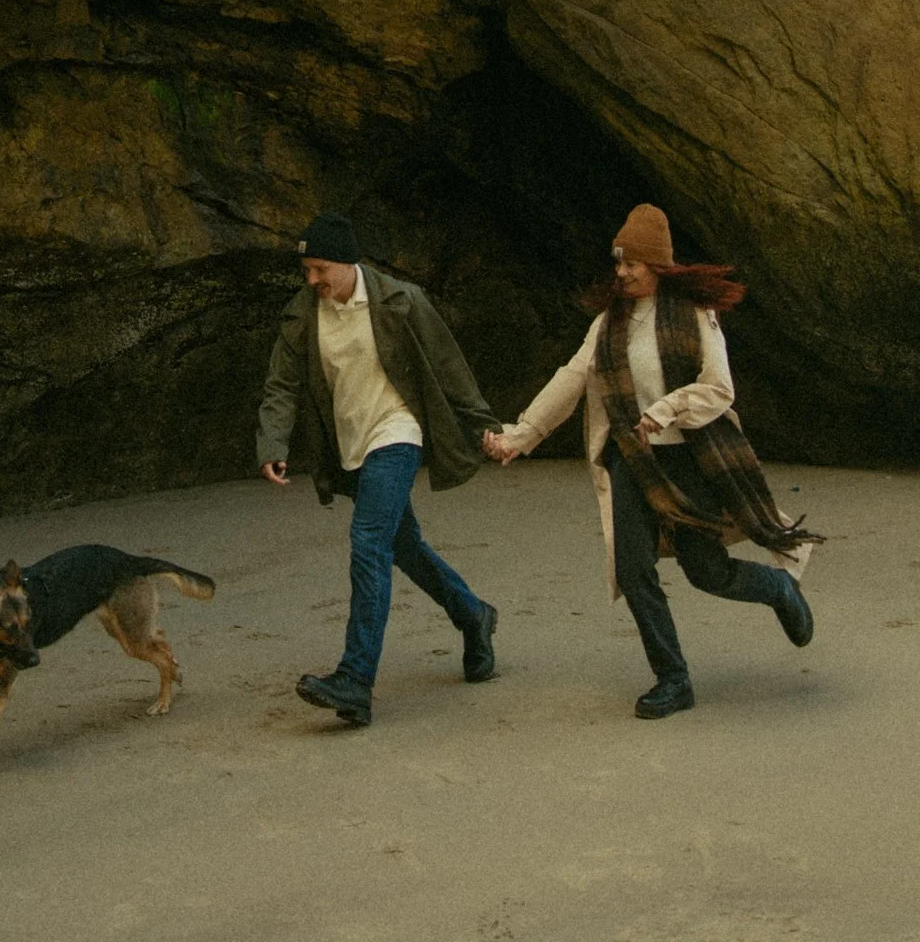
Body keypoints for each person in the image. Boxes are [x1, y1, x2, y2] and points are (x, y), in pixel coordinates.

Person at [483, 203, 821, 719]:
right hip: (631, 461)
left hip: (690, 459)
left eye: (631, 265)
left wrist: (667, 410)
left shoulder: (694, 316)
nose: (621, 273)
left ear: (656, 265)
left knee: (706, 572)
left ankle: (778, 588)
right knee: (633, 568)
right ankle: (673, 678)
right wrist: (519, 436)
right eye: (618, 264)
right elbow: (572, 379)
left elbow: (719, 388)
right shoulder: (607, 324)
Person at [257, 211, 501, 727]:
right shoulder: (302, 315)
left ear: (349, 263)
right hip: (349, 444)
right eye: (307, 271)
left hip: (398, 431)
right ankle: (473, 615)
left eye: (320, 269)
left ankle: (355, 679)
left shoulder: (401, 300)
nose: (312, 280)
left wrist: (483, 424)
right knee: (401, 545)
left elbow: (448, 364)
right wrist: (273, 442)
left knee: (369, 541)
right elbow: (282, 386)